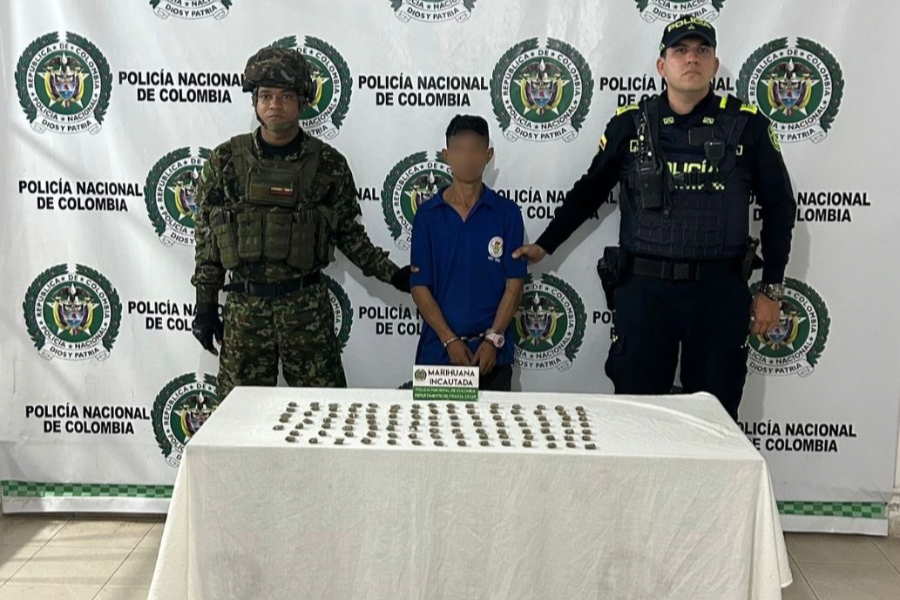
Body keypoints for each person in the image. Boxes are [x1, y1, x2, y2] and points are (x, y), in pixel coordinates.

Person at [513, 17, 796, 419]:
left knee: (715, 418)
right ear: (662, 65)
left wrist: (771, 290)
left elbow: (779, 207)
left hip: (718, 292)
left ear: (715, 65)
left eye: (702, 50)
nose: (692, 59)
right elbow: (590, 190)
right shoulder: (630, 124)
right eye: (680, 50)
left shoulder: (748, 126)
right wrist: (546, 243)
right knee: (638, 415)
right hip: (646, 291)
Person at [191, 45, 411, 399]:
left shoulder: (328, 164)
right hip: (245, 314)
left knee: (325, 413)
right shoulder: (225, 161)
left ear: (303, 101)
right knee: (238, 419)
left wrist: (394, 275)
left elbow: (349, 235)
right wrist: (205, 305)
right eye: (265, 96)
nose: (274, 105)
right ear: (255, 102)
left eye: (286, 96)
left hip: (306, 311)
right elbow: (208, 240)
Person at [410, 115, 526, 391]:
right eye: (460, 149)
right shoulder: (427, 215)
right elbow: (419, 286)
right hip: (439, 354)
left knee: (494, 421)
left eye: (475, 149)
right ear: (446, 155)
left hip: (491, 356)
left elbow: (515, 284)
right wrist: (450, 340)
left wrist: (492, 340)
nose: (467, 157)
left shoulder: (507, 213)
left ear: (488, 155)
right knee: (433, 422)